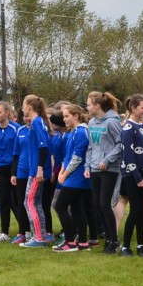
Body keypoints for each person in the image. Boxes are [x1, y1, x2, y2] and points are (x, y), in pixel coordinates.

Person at [86, 91, 123, 254]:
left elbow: (120, 145)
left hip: (109, 169)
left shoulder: (112, 122)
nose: (86, 107)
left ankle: (113, 240)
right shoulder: (92, 123)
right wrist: (88, 166)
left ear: (97, 105)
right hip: (94, 168)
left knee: (104, 203)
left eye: (88, 104)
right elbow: (90, 146)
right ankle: (108, 237)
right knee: (96, 204)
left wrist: (107, 160)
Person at [119, 95, 143, 257]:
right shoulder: (127, 127)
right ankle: (126, 246)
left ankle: (140, 244)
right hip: (131, 175)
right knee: (135, 209)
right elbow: (128, 154)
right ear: (133, 108)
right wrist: (138, 178)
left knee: (141, 210)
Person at [53, 104, 91, 252]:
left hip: (77, 178)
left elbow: (77, 158)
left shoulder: (81, 132)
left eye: (67, 116)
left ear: (76, 116)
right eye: (63, 116)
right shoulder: (73, 132)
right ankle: (82, 242)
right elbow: (67, 157)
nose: (64, 119)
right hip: (72, 176)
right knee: (77, 208)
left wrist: (65, 174)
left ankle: (70, 241)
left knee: (60, 205)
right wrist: (62, 171)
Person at [19, 94, 53, 247]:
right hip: (37, 169)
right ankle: (42, 235)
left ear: (30, 107)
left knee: (29, 202)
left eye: (23, 105)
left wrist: (40, 169)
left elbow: (44, 146)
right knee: (36, 202)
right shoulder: (38, 122)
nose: (22, 108)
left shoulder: (37, 122)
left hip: (36, 171)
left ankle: (38, 238)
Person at [0, 102, 19, 242]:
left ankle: (25, 231)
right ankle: (4, 232)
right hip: (0, 170)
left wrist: (14, 172)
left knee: (18, 201)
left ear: (7, 112)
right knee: (3, 201)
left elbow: (17, 152)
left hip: (14, 168)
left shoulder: (16, 128)